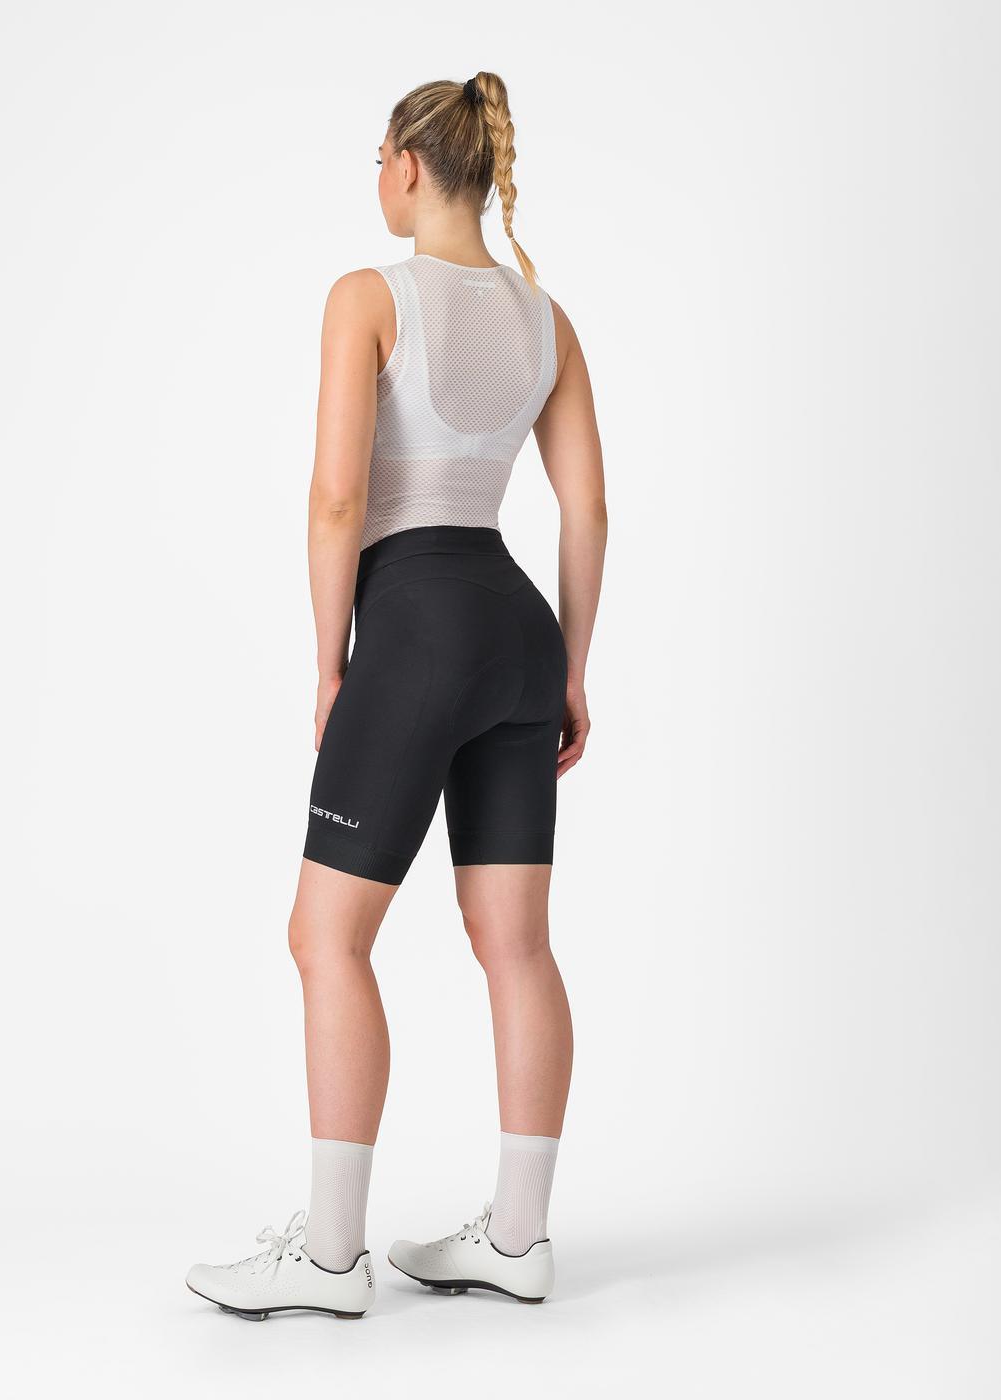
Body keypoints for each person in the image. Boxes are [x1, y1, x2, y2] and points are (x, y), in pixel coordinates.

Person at [186, 71, 606, 1321]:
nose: (374, 177)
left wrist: (332, 661)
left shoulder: (366, 297)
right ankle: (517, 1237)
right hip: (515, 628)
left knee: (325, 937)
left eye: (377, 157)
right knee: (515, 942)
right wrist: (571, 669)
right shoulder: (546, 319)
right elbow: (585, 507)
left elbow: (335, 499)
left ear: (410, 167)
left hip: (415, 629)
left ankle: (328, 1256)